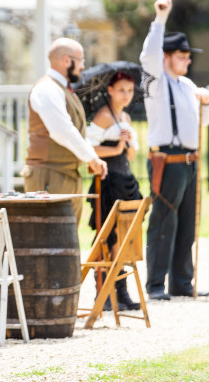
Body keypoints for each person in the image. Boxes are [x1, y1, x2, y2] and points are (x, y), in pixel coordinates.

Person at [140, 0, 209, 301]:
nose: (187, 60)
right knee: (164, 220)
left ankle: (183, 282)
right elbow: (148, 56)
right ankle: (156, 284)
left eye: (188, 56)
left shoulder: (187, 85)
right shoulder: (156, 83)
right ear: (166, 57)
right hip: (167, 160)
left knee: (187, 222)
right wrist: (160, 18)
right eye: (181, 56)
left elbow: (207, 118)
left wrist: (208, 101)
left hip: (189, 160)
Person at [22, 38, 107, 224]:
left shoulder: (63, 89)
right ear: (67, 60)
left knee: (67, 243)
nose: (83, 66)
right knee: (48, 241)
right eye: (81, 60)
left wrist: (90, 157)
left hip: (67, 175)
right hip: (49, 176)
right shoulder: (46, 88)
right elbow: (63, 131)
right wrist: (92, 158)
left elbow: (74, 132)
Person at [85, 71, 143, 310]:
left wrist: (127, 144)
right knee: (109, 237)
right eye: (121, 90)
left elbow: (131, 154)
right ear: (110, 90)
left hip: (126, 179)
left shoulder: (125, 117)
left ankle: (121, 291)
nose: (126, 95)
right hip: (109, 182)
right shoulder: (103, 116)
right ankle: (104, 292)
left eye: (130, 90)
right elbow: (88, 149)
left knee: (125, 237)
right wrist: (116, 146)